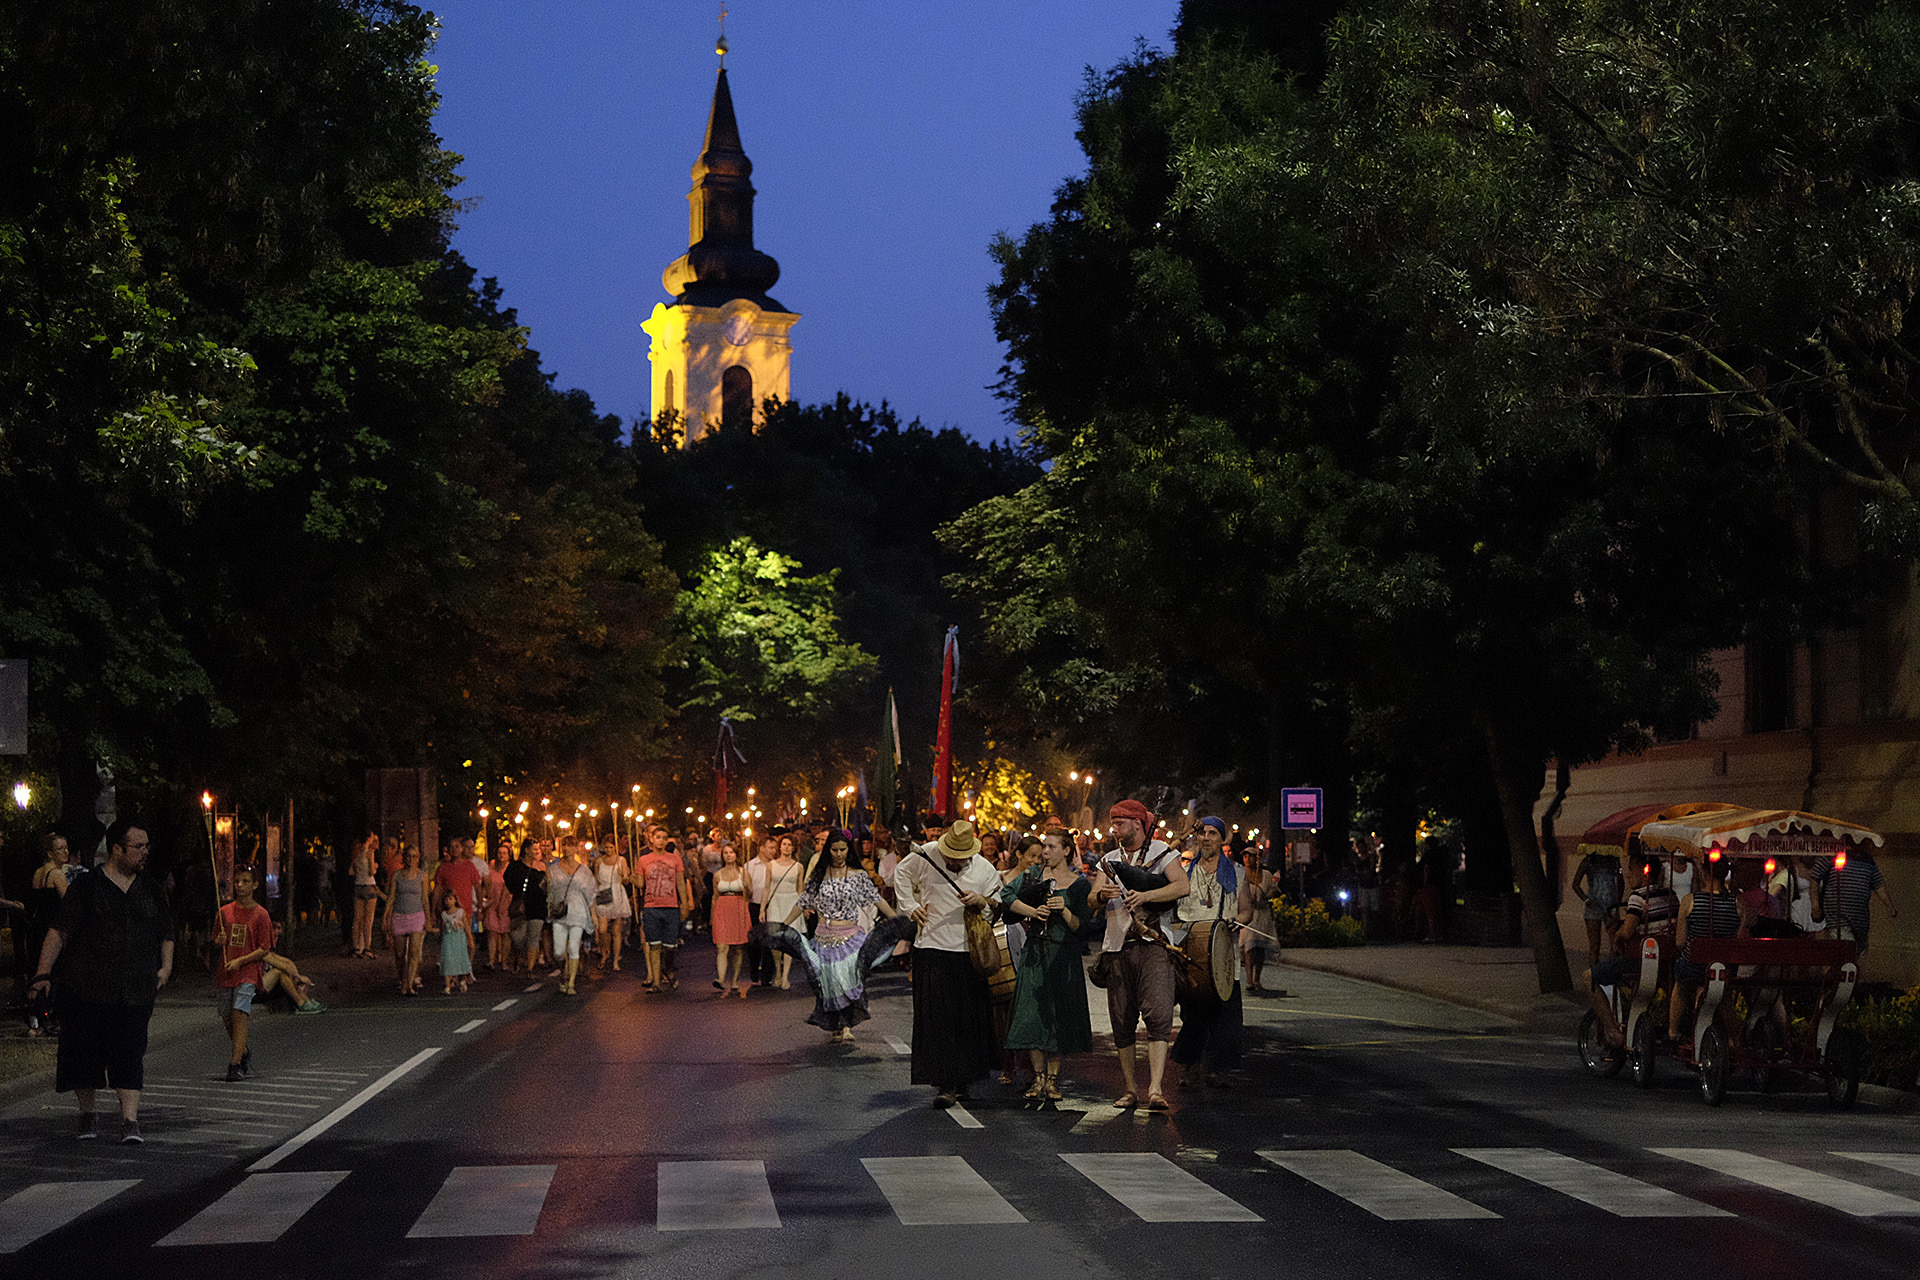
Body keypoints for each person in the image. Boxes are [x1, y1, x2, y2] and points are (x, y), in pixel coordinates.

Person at [28, 819, 175, 1143]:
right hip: (87, 986)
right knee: (84, 1051)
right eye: (138, 846)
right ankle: (87, 1114)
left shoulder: (150, 888)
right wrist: (42, 973)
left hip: (135, 988)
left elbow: (166, 932)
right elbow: (59, 932)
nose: (145, 852)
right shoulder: (87, 886)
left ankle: (129, 1121)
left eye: (147, 846)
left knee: (130, 1052)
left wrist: (165, 968)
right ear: (117, 849)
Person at [894, 820, 1003, 1107]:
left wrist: (981, 901)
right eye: (950, 855)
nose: (953, 861)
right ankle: (945, 1083)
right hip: (932, 948)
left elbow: (997, 905)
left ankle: (963, 1079)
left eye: (959, 857)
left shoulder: (985, 869)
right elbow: (901, 874)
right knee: (937, 1020)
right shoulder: (927, 853)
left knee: (967, 1020)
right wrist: (910, 906)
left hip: (968, 951)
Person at [1092, 798, 1189, 1112]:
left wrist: (1147, 895)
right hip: (1117, 946)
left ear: (1137, 823)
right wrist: (1101, 894)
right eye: (1113, 823)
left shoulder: (1162, 852)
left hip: (1154, 944)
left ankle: (1156, 1089)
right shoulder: (1108, 859)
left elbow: (1182, 886)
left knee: (1158, 1016)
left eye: (1120, 823)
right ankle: (1130, 1088)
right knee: (1122, 1020)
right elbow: (1092, 898)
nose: (1115, 829)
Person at [776, 829, 898, 1040]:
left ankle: (847, 1026)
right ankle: (835, 1024)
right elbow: (802, 902)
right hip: (823, 938)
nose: (839, 854)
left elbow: (877, 899)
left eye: (843, 849)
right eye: (835, 850)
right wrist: (783, 925)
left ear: (849, 850)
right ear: (828, 850)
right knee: (829, 984)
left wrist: (897, 920)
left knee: (847, 981)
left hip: (850, 937)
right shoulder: (819, 875)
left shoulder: (858, 875)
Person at [1001, 829, 1093, 1101]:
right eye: (1045, 846)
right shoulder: (1033, 875)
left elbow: (1081, 927)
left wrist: (1063, 909)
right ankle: (1038, 1077)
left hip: (1063, 955)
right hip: (1035, 952)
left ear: (1066, 850)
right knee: (1032, 1016)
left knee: (1058, 1017)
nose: (1045, 852)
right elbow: (1007, 895)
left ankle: (1052, 1080)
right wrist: (1033, 911)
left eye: (1052, 847)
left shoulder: (1079, 884)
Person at [1171, 816, 1254, 1092]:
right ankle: (1191, 1066)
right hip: (1192, 951)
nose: (1206, 838)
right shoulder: (1183, 872)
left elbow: (1246, 910)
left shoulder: (1237, 873)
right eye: (1202, 833)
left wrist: (1237, 920)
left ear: (1222, 839)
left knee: (1224, 1016)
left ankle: (1218, 1069)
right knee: (1193, 1014)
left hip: (1223, 953)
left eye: (1212, 834)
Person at [1586, 858, 1679, 1048]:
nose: (1628, 875)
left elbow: (1627, 931)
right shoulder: (1671, 895)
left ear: (1645, 872)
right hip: (1666, 962)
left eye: (1631, 869)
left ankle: (1613, 1032)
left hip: (1640, 961)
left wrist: (1616, 934)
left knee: (1589, 978)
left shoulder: (1638, 897)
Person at [1668, 852, 1743, 1044]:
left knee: (1680, 985)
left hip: (1694, 968)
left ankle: (1673, 1031)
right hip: (1725, 968)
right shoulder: (1737, 903)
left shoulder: (1690, 901)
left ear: (1704, 873)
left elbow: (1679, 942)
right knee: (1725, 997)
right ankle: (1734, 1039)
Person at [215, 865, 277, 1081]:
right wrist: (219, 941)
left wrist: (240, 961)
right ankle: (242, 1050)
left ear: (255, 885)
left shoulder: (261, 915)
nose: (240, 886)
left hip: (248, 972)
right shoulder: (224, 912)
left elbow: (264, 948)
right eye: (237, 881)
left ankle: (234, 1064)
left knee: (240, 1013)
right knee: (227, 1016)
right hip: (226, 972)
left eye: (245, 881)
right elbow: (216, 940)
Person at [1812, 845, 1899, 954]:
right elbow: (1814, 879)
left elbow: (1878, 884)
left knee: (1857, 953)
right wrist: (1815, 905)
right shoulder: (1831, 855)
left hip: (1860, 921)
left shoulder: (1867, 859)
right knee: (1848, 949)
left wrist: (1890, 906)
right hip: (1839, 918)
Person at [635, 825, 691, 992]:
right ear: (651, 839)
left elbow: (680, 882)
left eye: (664, 838)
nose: (660, 840)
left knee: (669, 945)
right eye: (657, 837)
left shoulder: (675, 859)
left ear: (667, 841)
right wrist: (631, 877)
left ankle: (668, 968)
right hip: (651, 907)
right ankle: (656, 982)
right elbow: (640, 884)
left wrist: (685, 903)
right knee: (654, 945)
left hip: (671, 906)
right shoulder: (643, 860)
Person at [546, 837, 597, 995]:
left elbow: (591, 893)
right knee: (558, 951)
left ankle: (571, 983)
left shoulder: (584, 871)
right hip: (559, 913)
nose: (567, 848)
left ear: (576, 848)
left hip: (578, 912)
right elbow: (548, 892)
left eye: (571, 845)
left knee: (574, 947)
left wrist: (593, 914)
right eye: (565, 845)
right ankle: (563, 972)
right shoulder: (552, 869)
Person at [382, 845, 430, 996]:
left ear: (418, 858)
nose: (411, 859)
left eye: (414, 856)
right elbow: (391, 897)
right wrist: (385, 916)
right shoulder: (397, 876)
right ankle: (403, 978)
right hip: (400, 915)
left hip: (417, 915)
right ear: (404, 858)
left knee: (414, 952)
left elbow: (425, 898)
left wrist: (428, 918)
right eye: (408, 856)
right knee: (399, 953)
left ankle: (409, 984)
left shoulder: (422, 876)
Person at [710, 844, 753, 996]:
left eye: (731, 852)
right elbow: (715, 896)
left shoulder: (744, 873)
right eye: (725, 853)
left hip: (739, 907)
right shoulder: (717, 875)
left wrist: (746, 887)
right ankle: (721, 979)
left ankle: (735, 979)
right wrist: (712, 916)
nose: (728, 855)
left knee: (738, 948)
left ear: (736, 855)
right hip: (722, 909)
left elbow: (750, 895)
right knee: (722, 946)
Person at [1571, 847, 1625, 964]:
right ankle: (1595, 971)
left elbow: (1621, 882)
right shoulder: (1589, 861)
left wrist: (1617, 904)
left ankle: (1607, 969)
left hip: (1609, 906)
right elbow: (1575, 884)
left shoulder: (1613, 861)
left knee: (1614, 945)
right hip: (1596, 906)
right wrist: (1586, 900)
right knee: (1595, 946)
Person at [764, 836, 804, 990]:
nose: (787, 847)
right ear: (779, 847)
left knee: (789, 939)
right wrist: (762, 908)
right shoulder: (771, 865)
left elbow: (800, 889)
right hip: (775, 902)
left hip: (791, 901)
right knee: (775, 939)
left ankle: (786, 975)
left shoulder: (798, 866)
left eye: (790, 845)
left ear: (793, 848)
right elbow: (766, 888)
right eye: (784, 844)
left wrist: (802, 908)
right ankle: (778, 971)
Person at [505, 839, 549, 976]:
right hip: (522, 906)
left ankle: (530, 968)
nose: (537, 852)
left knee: (534, 937)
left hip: (538, 906)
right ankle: (517, 955)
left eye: (538, 849)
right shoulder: (516, 866)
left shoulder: (542, 866)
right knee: (518, 937)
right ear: (526, 850)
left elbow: (548, 884)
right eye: (534, 849)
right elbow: (508, 882)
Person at [1240, 850, 1280, 994]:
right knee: (1249, 947)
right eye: (1245, 856)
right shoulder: (1241, 874)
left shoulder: (1266, 875)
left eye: (1250, 856)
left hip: (1262, 914)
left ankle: (1257, 979)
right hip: (1248, 915)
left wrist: (1269, 894)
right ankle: (1249, 980)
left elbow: (1274, 890)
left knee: (1260, 948)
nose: (1247, 859)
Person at [591, 840, 634, 973]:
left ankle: (615, 959)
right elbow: (596, 879)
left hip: (616, 894)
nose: (609, 850)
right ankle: (605, 951)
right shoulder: (599, 861)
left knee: (616, 931)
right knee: (602, 929)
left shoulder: (621, 860)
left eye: (611, 847)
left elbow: (626, 877)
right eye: (606, 847)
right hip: (603, 893)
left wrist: (624, 875)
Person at [745, 836, 777, 986]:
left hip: (772, 905)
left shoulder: (776, 865)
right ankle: (754, 967)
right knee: (754, 940)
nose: (773, 851)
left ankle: (767, 974)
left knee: (770, 940)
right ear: (761, 848)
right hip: (754, 905)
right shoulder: (750, 866)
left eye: (775, 848)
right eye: (771, 847)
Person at [348, 833, 379, 958]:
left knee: (357, 918)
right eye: (372, 837)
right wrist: (375, 866)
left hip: (358, 886)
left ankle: (356, 947)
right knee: (368, 919)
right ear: (368, 838)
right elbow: (371, 871)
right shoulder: (370, 852)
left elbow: (351, 871)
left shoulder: (356, 852)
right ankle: (367, 948)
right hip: (369, 885)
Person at [438, 885, 473, 994]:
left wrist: (470, 939)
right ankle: (447, 985)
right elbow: (442, 928)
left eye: (450, 899)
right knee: (448, 960)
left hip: (459, 939)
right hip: (448, 940)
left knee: (460, 959)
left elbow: (466, 927)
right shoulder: (444, 914)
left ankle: (462, 980)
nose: (447, 902)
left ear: (455, 900)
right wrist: (441, 938)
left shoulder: (460, 912)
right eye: (446, 899)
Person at [484, 848, 513, 970]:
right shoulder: (492, 866)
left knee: (505, 933)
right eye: (499, 853)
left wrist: (502, 904)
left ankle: (504, 961)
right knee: (492, 932)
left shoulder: (511, 868)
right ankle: (491, 960)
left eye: (504, 853)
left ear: (509, 855)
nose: (501, 855)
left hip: (506, 903)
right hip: (492, 901)